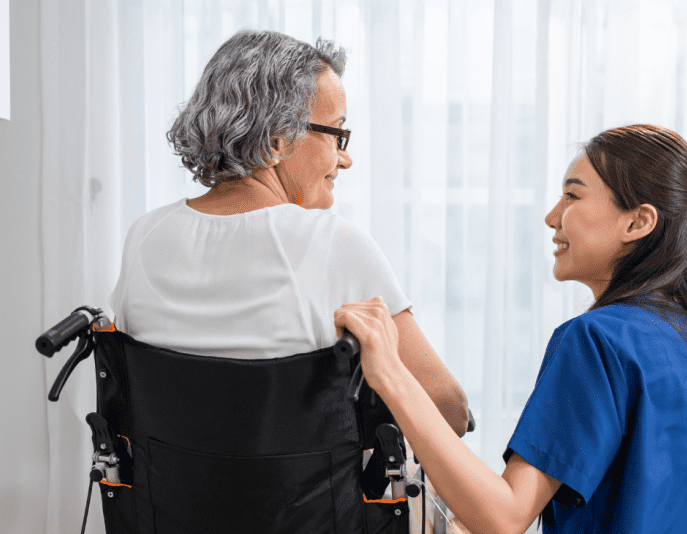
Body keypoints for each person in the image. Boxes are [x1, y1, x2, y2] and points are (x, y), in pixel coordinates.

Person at [336, 124, 687, 534]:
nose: (552, 216)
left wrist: (391, 373)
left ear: (638, 221)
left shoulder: (598, 341)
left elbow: (501, 520)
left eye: (573, 195)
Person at [107, 29, 468, 436]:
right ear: (278, 141)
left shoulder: (145, 236)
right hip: (309, 500)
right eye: (338, 133)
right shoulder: (335, 244)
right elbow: (449, 410)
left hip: (167, 497)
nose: (344, 159)